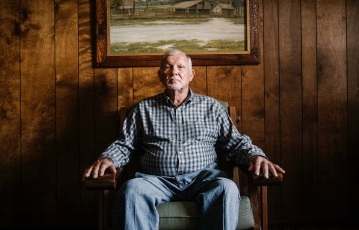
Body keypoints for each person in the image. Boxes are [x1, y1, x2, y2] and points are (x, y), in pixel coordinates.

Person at [83, 50, 285, 230]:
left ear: (191, 74)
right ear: (160, 75)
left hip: (203, 178)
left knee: (226, 188)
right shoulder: (143, 109)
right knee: (131, 190)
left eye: (180, 67)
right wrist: (109, 158)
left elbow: (236, 143)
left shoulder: (212, 108)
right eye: (168, 67)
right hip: (155, 180)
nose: (174, 71)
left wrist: (255, 155)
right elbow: (124, 144)